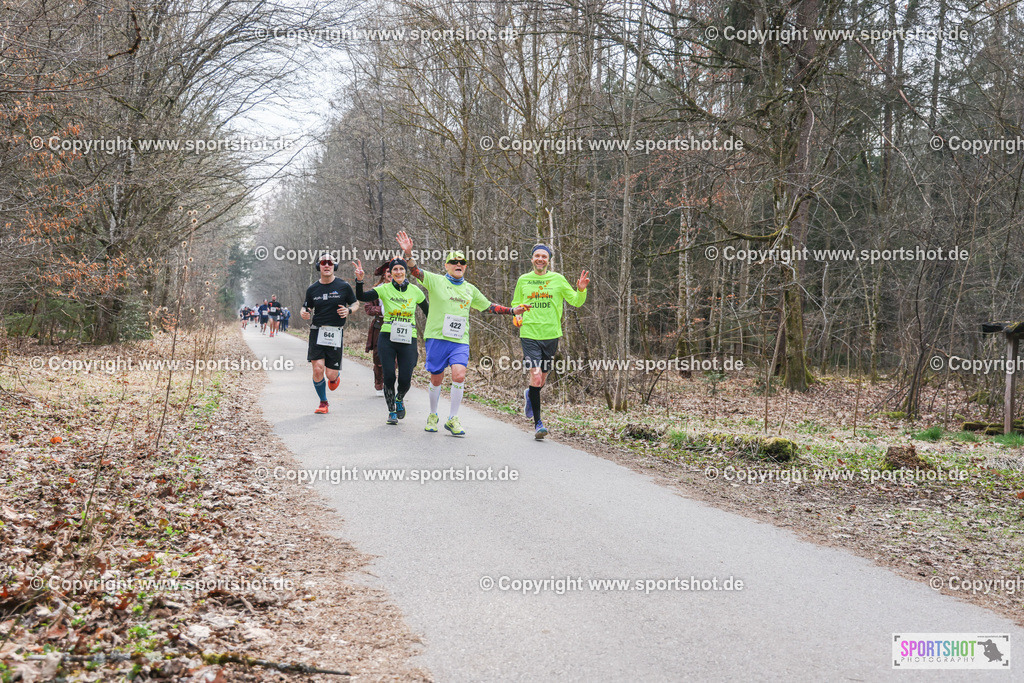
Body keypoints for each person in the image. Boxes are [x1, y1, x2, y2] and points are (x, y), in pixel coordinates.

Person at [397, 231, 529, 436]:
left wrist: (512, 311)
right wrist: (408, 253)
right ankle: (433, 414)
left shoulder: (470, 289)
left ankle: (453, 418)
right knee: (436, 378)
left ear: (465, 266)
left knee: (459, 375)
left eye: (462, 262)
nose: (458, 264)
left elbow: (488, 307)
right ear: (446, 266)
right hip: (437, 337)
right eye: (454, 261)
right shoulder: (436, 280)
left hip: (459, 340)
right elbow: (415, 271)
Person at [511, 244, 590, 439]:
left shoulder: (557, 279)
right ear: (531, 259)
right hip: (529, 334)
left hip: (551, 335)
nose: (540, 259)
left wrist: (580, 290)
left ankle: (530, 395)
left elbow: (576, 302)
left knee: (542, 379)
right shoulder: (524, 280)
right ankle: (538, 424)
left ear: (548, 260)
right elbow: (515, 304)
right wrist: (517, 316)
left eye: (544, 256)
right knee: (536, 377)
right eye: (537, 256)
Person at [354, 258, 429, 424]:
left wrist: (434, 334)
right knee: (388, 376)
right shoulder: (384, 289)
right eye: (394, 270)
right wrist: (359, 280)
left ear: (405, 271)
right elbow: (361, 296)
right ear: (391, 273)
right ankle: (391, 411)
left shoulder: (415, 291)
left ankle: (399, 398)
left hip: (409, 337)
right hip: (387, 337)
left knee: (405, 378)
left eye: (401, 269)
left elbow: (429, 312)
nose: (398, 272)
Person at [300, 252, 358, 414]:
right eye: (323, 262)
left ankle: (335, 377)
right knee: (317, 368)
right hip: (317, 331)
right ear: (319, 266)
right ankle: (323, 402)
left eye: (330, 263)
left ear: (335, 266)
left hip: (335, 333)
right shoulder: (312, 289)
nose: (327, 265)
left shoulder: (343, 286)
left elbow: (355, 303)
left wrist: (349, 310)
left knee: (330, 375)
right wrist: (303, 312)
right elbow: (306, 307)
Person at [363, 261, 393, 396]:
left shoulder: (403, 289)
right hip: (380, 326)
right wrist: (381, 309)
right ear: (384, 275)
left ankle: (389, 382)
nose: (391, 274)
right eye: (388, 272)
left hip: (397, 326)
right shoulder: (377, 290)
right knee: (379, 357)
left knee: (395, 358)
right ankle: (379, 384)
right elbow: (368, 308)